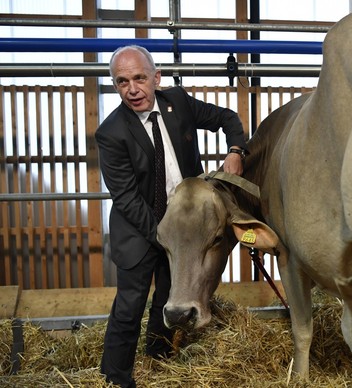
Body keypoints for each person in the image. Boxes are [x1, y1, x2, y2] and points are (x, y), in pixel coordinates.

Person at [95, 45, 247, 388]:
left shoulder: (177, 102)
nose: (132, 89)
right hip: (139, 230)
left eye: (139, 78)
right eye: (122, 82)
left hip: (187, 227)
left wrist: (236, 151)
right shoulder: (111, 132)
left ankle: (159, 362)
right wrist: (168, 238)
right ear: (115, 86)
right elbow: (127, 200)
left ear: (156, 78)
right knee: (129, 306)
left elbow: (227, 118)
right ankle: (115, 378)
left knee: (169, 298)